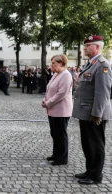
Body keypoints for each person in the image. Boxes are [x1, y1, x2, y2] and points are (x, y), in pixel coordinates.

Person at [73, 35, 112, 185]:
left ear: (97, 47)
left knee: (96, 145)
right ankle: (90, 170)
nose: (85, 48)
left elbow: (102, 93)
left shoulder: (102, 65)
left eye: (88, 46)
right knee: (87, 144)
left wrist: (97, 113)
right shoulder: (91, 64)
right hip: (86, 112)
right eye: (84, 46)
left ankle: (96, 175)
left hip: (94, 113)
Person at [42, 54, 73, 166]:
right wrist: (45, 99)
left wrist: (48, 103)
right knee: (54, 133)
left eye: (54, 63)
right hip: (53, 109)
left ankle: (62, 157)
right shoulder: (56, 74)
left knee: (61, 134)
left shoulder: (66, 75)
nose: (52, 65)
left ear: (61, 63)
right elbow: (49, 88)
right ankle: (56, 154)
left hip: (61, 110)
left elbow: (61, 93)